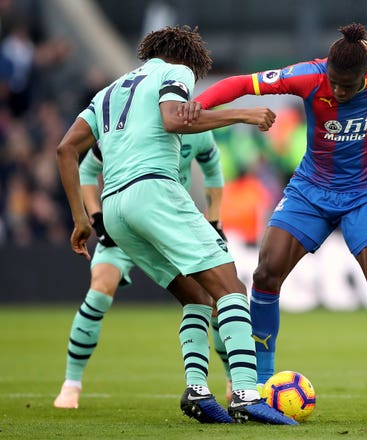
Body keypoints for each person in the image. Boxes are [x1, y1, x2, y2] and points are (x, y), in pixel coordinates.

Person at [185, 22, 367, 422]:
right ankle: (260, 385)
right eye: (334, 83)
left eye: (347, 86)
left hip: (365, 194)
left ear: (366, 75)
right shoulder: (309, 76)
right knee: (265, 274)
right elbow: (242, 82)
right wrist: (199, 102)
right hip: (310, 191)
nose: (338, 91)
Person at [56, 25, 296, 425]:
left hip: (115, 208)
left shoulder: (108, 93)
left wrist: (82, 220)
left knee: (197, 298)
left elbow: (66, 150)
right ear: (188, 59)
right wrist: (244, 112)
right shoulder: (176, 70)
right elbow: (173, 119)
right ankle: (247, 394)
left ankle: (198, 391)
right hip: (155, 192)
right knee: (231, 286)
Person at [53, 131, 234, 409]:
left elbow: (213, 172)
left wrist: (215, 219)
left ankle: (233, 380)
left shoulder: (199, 131)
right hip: (123, 222)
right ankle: (71, 384)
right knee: (100, 289)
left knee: (213, 299)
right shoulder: (128, 127)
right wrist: (97, 217)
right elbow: (87, 170)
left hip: (168, 224)